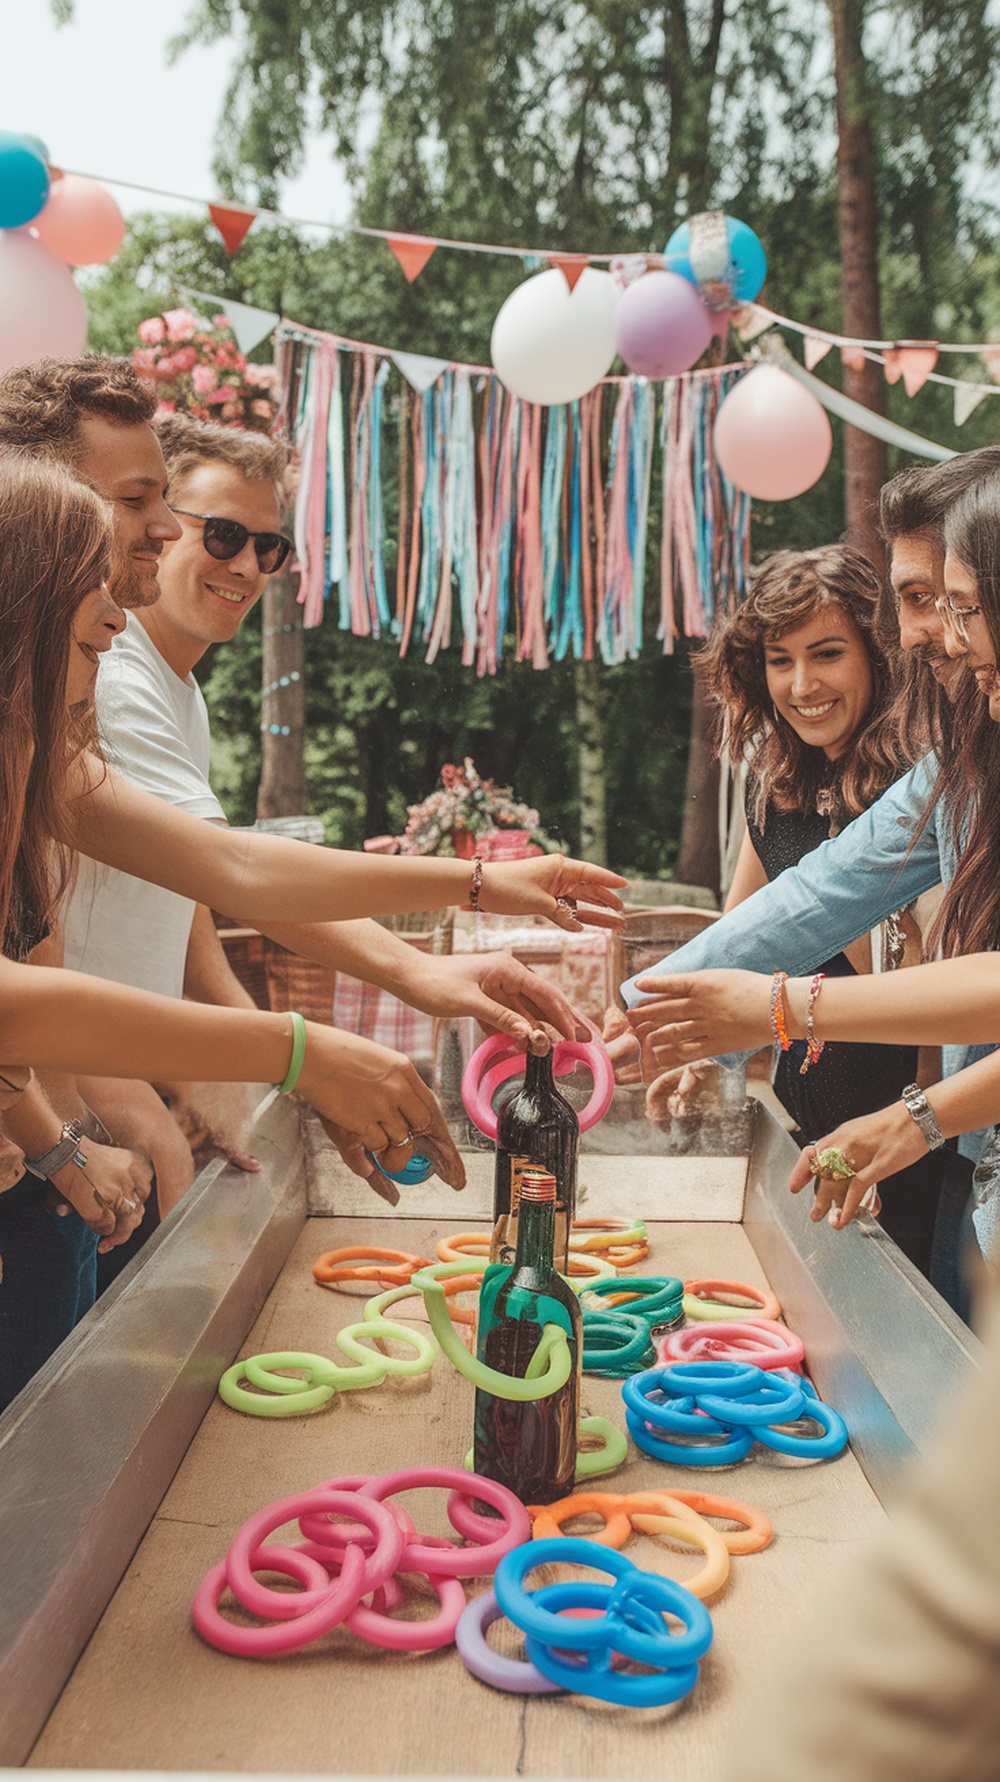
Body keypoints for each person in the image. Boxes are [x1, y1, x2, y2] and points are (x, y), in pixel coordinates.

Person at [0, 451, 625, 1408]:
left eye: (269, 544)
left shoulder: (48, 739)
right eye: (139, 511)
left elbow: (224, 871)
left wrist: (476, 888)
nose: (119, 623)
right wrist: (293, 1051)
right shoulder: (73, 709)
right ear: (26, 611)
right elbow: (21, 1001)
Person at [60, 409, 594, 1221]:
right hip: (74, 1092)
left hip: (116, 1075)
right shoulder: (110, 669)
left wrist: (236, 1050)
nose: (247, 565)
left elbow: (183, 886)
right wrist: (474, 888)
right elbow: (235, 871)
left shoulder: (174, 685)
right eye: (223, 535)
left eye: (269, 549)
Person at [626, 466, 1000, 1272]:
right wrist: (640, 1016)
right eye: (917, 601)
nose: (930, 635)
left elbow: (966, 990)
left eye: (951, 602)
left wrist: (782, 1010)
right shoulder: (948, 762)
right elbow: (811, 899)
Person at [682, 544, 939, 1273]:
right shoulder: (776, 781)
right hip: (810, 1136)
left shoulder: (923, 790)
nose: (802, 685)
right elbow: (743, 936)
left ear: (879, 655)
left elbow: (923, 1002)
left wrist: (899, 1133)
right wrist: (700, 1050)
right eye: (779, 660)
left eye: (827, 654)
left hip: (904, 1152)